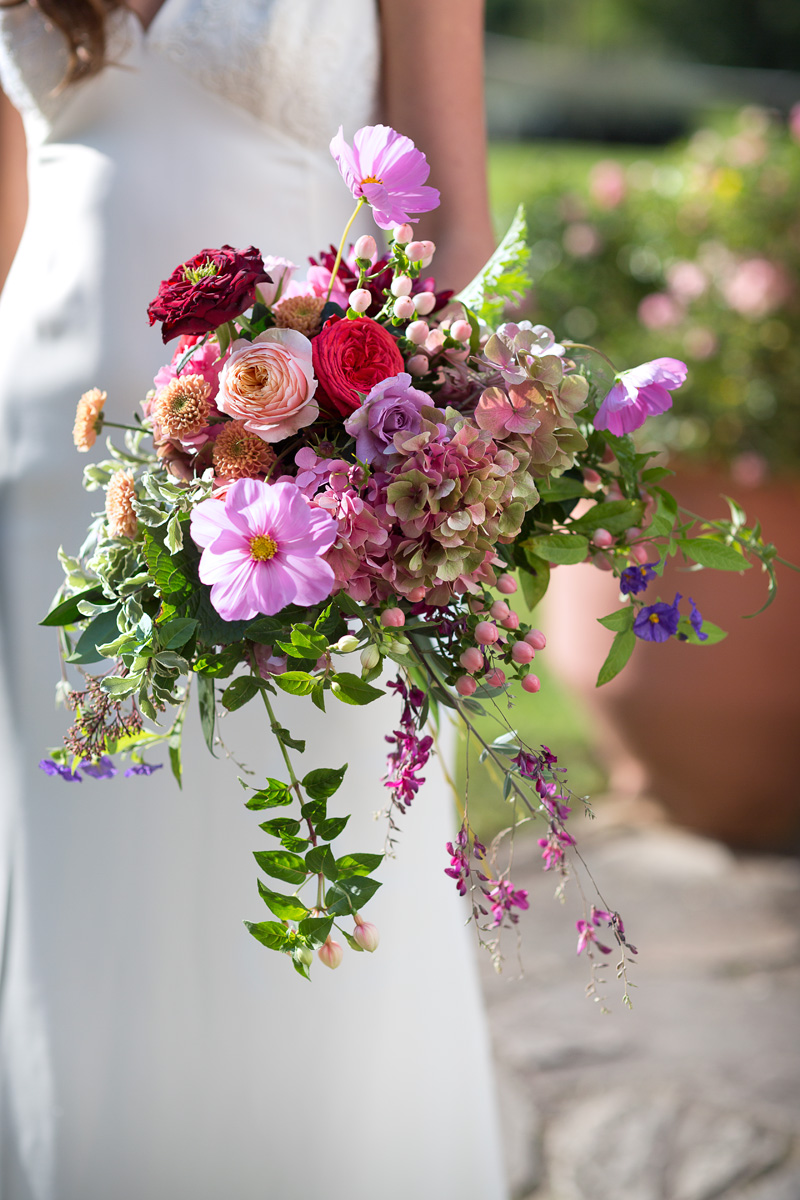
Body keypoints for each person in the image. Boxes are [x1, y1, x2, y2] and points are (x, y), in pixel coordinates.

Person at [0, 2, 507, 1197]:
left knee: (333, 915)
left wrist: (457, 477)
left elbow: (455, 222)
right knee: (90, 921)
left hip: (319, 493)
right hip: (46, 481)